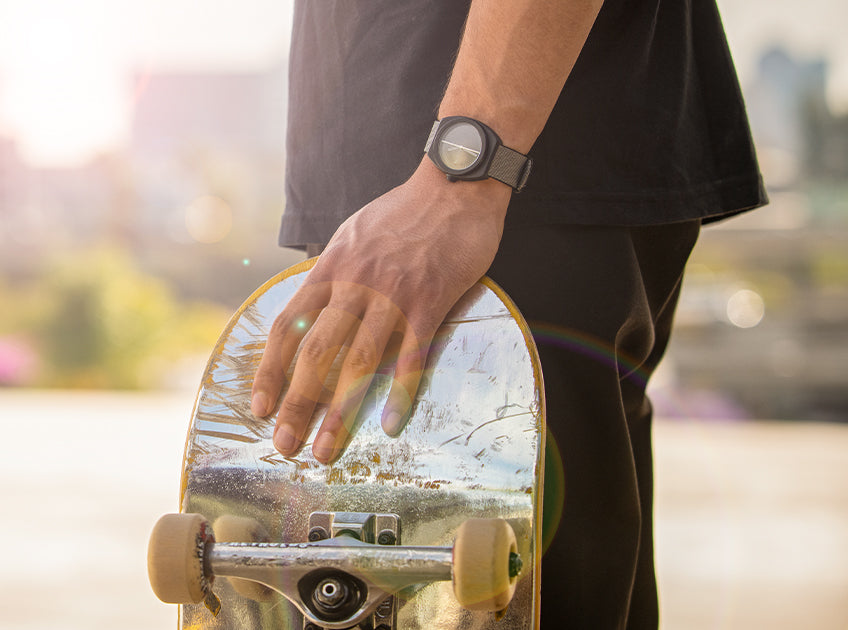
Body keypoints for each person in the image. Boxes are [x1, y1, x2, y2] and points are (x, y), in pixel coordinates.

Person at [249, 1, 766, 628]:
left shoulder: (464, 183)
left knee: (489, 593)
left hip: (486, 174)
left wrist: (461, 174)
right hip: (435, 174)